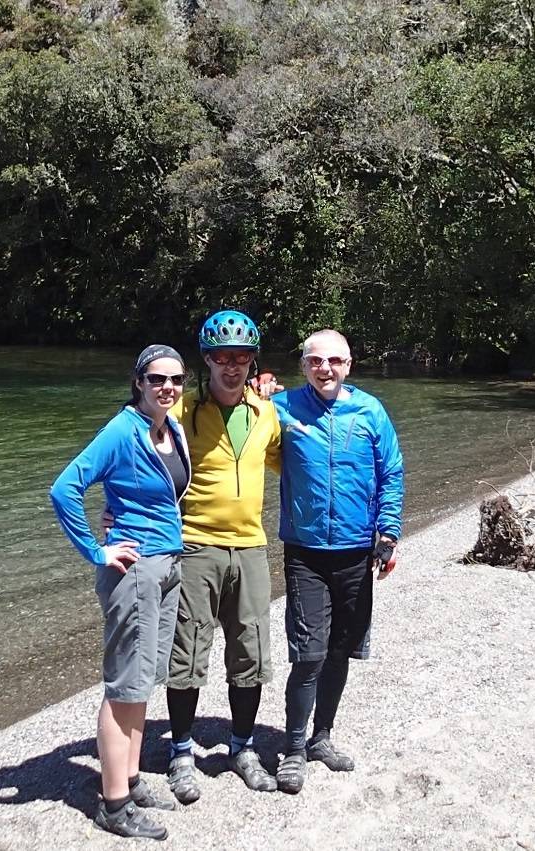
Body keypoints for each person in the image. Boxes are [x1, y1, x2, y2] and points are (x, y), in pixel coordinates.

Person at [49, 345, 190, 840]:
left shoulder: (170, 428)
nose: (167, 387)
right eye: (157, 379)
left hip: (167, 566)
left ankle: (129, 780)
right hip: (134, 572)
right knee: (124, 686)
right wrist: (96, 550)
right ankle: (113, 805)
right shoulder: (122, 430)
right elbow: (65, 488)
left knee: (143, 679)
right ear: (138, 382)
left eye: (175, 378)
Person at [269, 329, 404, 795]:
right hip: (305, 552)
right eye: (315, 361)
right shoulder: (281, 409)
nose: (324, 369)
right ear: (303, 365)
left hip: (355, 553)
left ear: (349, 365)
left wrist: (388, 534)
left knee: (341, 651)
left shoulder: (370, 411)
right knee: (308, 654)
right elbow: (232, 445)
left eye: (334, 361)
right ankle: (292, 748)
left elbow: (391, 472)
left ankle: (321, 736)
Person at [162, 309, 285, 802]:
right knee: (188, 654)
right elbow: (139, 455)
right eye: (221, 357)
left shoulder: (265, 412)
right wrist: (116, 513)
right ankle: (181, 753)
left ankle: (241, 747)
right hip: (195, 545)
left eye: (240, 357)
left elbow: (288, 461)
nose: (230, 367)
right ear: (206, 361)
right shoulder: (181, 411)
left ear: (253, 361)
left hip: (251, 547)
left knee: (250, 654)